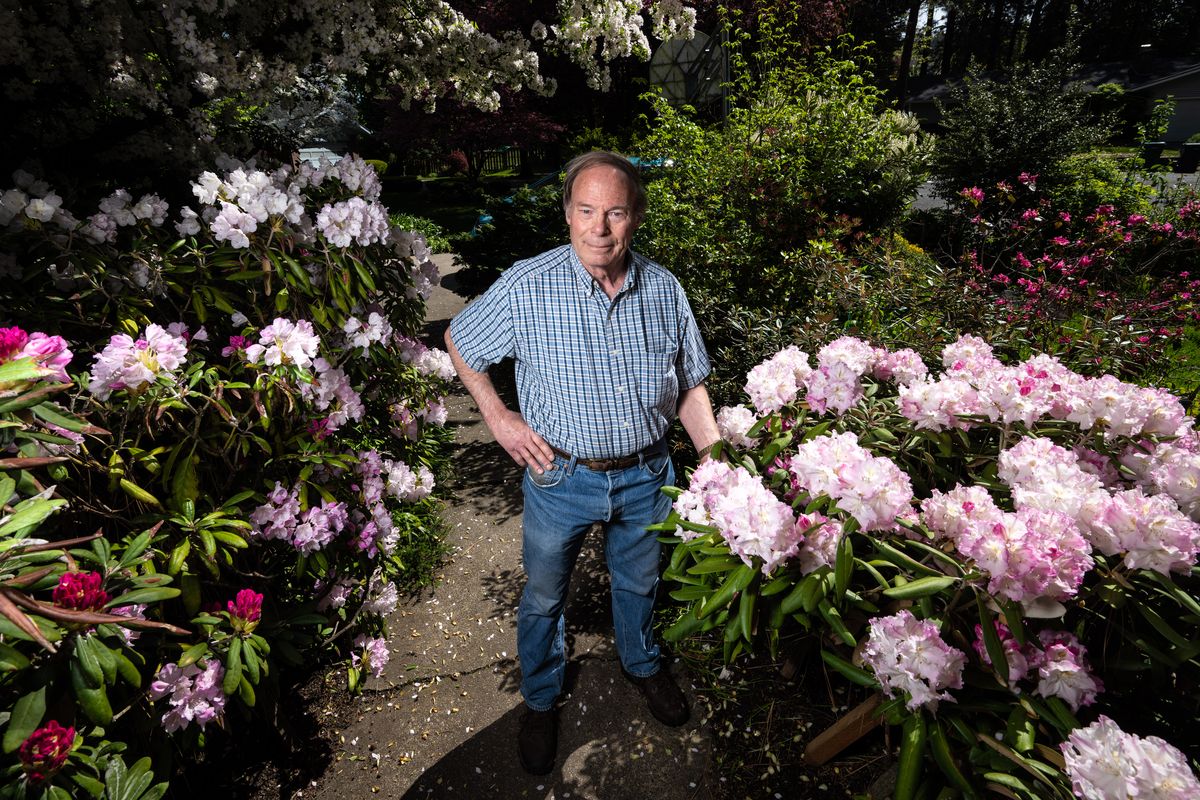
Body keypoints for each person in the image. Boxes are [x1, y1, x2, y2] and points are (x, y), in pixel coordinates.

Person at [444, 150, 720, 776]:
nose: (599, 228)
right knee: (544, 596)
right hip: (560, 476)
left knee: (640, 582)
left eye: (615, 212)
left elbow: (689, 385)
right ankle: (541, 697)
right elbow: (460, 339)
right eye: (587, 210)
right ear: (567, 213)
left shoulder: (664, 289)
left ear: (636, 219)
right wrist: (498, 416)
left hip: (649, 475)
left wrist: (714, 455)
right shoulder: (527, 284)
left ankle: (642, 664)